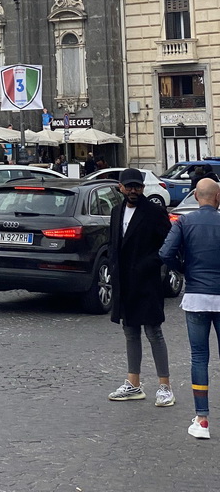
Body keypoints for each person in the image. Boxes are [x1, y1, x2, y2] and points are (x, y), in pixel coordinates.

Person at [108, 167, 174, 407]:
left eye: (137, 186)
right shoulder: (116, 211)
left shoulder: (155, 212)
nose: (133, 190)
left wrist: (149, 264)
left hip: (147, 282)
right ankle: (133, 383)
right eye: (129, 186)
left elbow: (168, 245)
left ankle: (164, 386)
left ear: (143, 188)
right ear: (121, 188)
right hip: (124, 282)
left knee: (154, 332)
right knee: (130, 331)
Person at [159, 177, 220, 439]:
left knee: (199, 357)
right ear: (218, 198)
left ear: (196, 196)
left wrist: (185, 269)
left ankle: (202, 419)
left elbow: (164, 254)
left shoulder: (184, 222)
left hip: (196, 295)